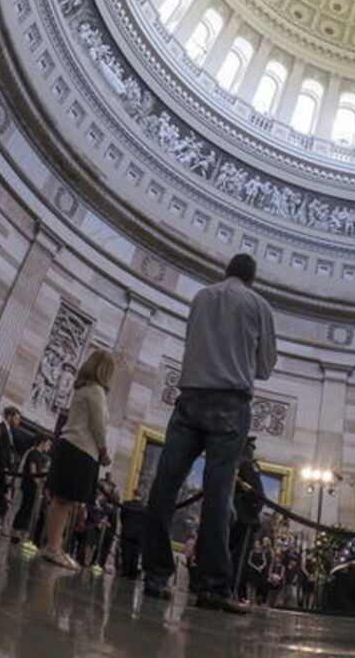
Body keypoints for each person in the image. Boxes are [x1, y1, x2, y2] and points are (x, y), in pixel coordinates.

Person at [143, 253, 278, 613]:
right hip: (230, 406)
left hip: (189, 398)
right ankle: (213, 587)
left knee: (164, 488)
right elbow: (264, 368)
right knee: (219, 497)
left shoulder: (201, 297)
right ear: (252, 279)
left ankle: (155, 575)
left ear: (225, 271)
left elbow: (192, 342)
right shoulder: (259, 305)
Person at [43, 349, 115, 570]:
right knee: (63, 502)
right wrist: (104, 452)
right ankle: (53, 547)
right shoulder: (96, 391)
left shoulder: (85, 388)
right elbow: (98, 426)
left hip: (72, 446)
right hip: (80, 449)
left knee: (64, 501)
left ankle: (55, 545)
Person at [229, 437, 264, 596]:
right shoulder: (248, 465)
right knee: (239, 557)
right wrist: (254, 512)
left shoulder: (231, 462)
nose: (252, 451)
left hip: (228, 515)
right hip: (244, 517)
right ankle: (233, 591)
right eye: (251, 448)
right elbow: (258, 494)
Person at [11, 435, 51, 544]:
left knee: (28, 509)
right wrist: (38, 484)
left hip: (33, 487)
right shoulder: (34, 453)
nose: (49, 447)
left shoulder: (39, 456)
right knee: (25, 508)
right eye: (48, 444)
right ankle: (16, 531)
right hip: (29, 486)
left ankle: (21, 532)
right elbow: (32, 470)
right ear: (42, 442)